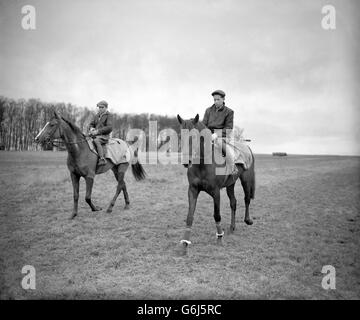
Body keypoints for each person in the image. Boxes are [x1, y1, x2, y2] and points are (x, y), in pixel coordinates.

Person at [203, 90, 244, 173]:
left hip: (223, 136)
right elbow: (204, 125)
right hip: (209, 136)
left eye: (218, 99)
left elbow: (229, 128)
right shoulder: (208, 110)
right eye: (214, 100)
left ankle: (233, 168)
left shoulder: (229, 112)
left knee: (220, 143)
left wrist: (216, 134)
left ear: (223, 99)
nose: (216, 102)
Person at [88, 100, 113, 165]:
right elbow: (91, 124)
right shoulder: (97, 115)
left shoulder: (109, 115)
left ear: (106, 108)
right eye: (99, 107)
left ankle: (102, 158)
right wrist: (91, 128)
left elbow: (109, 128)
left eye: (102, 107)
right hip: (94, 135)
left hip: (104, 136)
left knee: (96, 141)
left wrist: (97, 131)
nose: (100, 109)